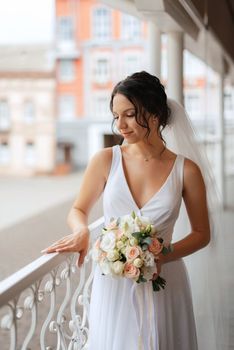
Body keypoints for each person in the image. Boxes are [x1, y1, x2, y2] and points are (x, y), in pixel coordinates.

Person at [43, 71, 211, 350]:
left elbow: (202, 233)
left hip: (165, 279)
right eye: (116, 115)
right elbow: (78, 209)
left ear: (155, 113)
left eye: (130, 114)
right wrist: (81, 229)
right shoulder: (105, 160)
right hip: (114, 282)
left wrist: (160, 255)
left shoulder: (187, 170)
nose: (120, 124)